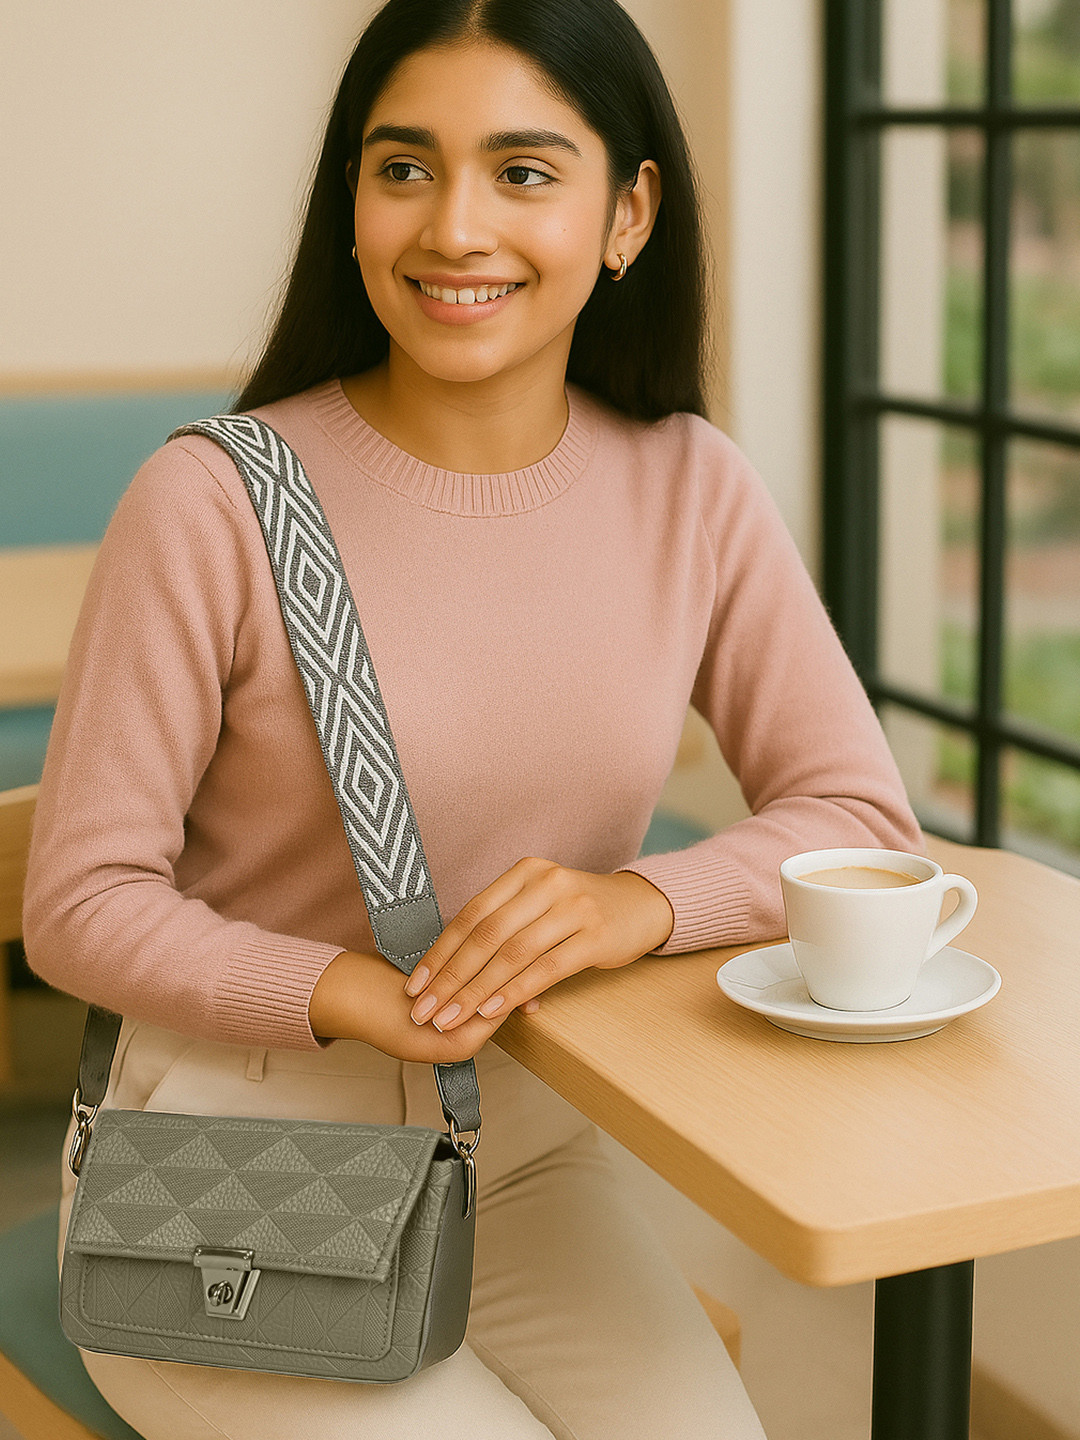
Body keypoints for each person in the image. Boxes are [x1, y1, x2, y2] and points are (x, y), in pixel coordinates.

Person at [23, 1, 922, 1436]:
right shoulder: (216, 502)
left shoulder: (691, 487)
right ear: (353, 202)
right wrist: (361, 1000)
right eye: (403, 168)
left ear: (627, 212)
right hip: (226, 1175)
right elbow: (78, 902)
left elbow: (863, 821)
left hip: (527, 1162)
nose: (453, 227)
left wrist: (639, 903)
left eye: (522, 171)